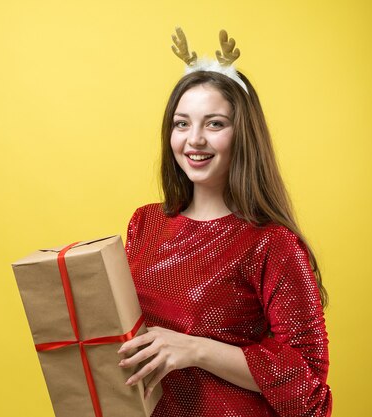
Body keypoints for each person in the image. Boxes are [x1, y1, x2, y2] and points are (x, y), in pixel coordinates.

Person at [117, 28, 332, 417]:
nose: (194, 139)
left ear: (242, 135)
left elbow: (309, 392)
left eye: (214, 124)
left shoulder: (272, 243)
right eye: (182, 124)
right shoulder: (144, 224)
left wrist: (197, 350)